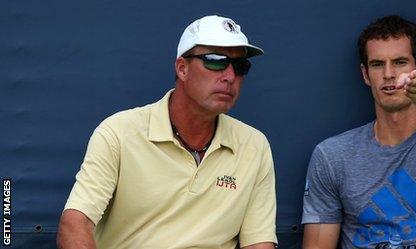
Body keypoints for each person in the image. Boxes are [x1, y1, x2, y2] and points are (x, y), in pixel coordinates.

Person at [57, 15, 277, 249]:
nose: (230, 76)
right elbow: (74, 223)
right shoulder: (119, 132)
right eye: (215, 61)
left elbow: (258, 243)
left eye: (240, 66)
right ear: (182, 68)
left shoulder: (254, 145)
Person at [301, 15, 416, 249]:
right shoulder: (332, 156)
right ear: (366, 74)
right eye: (377, 64)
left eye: (399, 62)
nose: (388, 74)